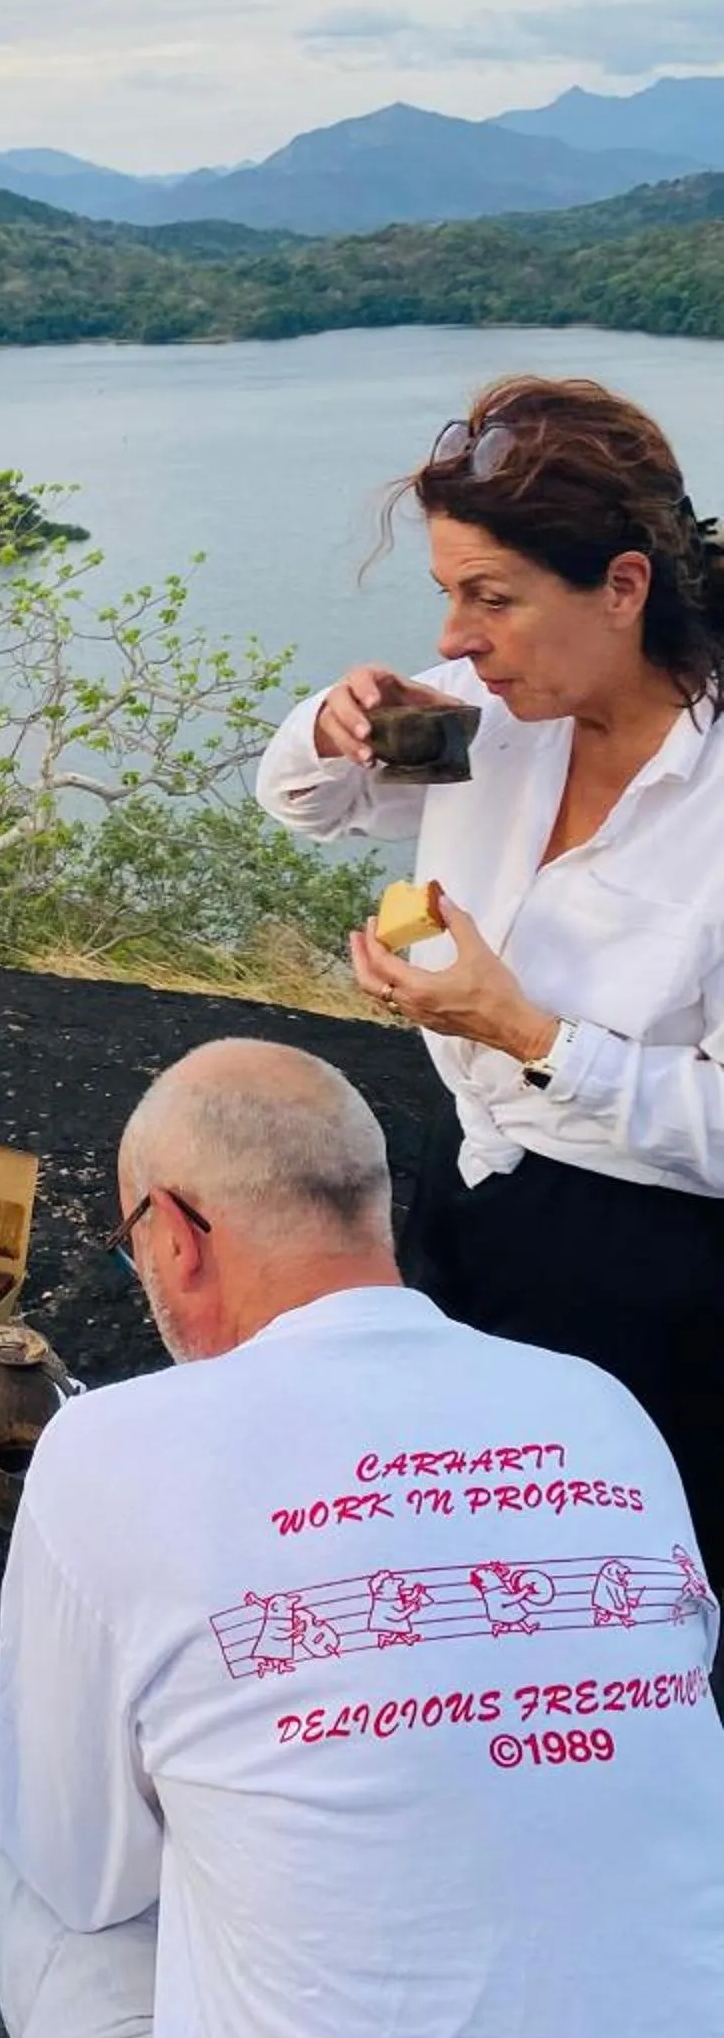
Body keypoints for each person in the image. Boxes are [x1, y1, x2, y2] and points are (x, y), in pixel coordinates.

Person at [0, 1039, 724, 2038]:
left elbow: (83, 1875)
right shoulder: (605, 1416)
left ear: (176, 1237)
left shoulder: (118, 1447)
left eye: (135, 1245)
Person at [255, 374, 724, 1570]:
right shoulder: (493, 714)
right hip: (472, 1174)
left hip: (654, 1262)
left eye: (492, 599)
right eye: (448, 595)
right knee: (458, 1545)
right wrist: (335, 718)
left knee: (616, 1578)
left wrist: (533, 1036)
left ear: (623, 587)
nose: (456, 639)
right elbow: (303, 802)